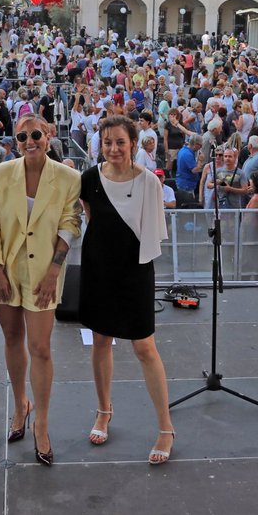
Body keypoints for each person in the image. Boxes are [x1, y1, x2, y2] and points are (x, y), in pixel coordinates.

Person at [0, 114, 81, 466]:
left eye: (36, 134)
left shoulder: (69, 178)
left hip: (44, 274)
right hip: (4, 271)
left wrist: (55, 270)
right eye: (22, 136)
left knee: (40, 348)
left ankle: (42, 423)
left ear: (50, 135)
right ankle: (20, 404)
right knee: (12, 339)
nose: (29, 141)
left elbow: (71, 223)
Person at [79, 115, 175, 466]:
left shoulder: (149, 182)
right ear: (100, 145)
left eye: (120, 142)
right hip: (98, 270)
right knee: (100, 340)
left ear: (133, 143)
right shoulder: (88, 179)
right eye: (107, 142)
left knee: (144, 347)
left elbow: (152, 233)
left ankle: (165, 427)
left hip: (134, 272)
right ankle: (104, 411)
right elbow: (91, 219)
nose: (114, 148)